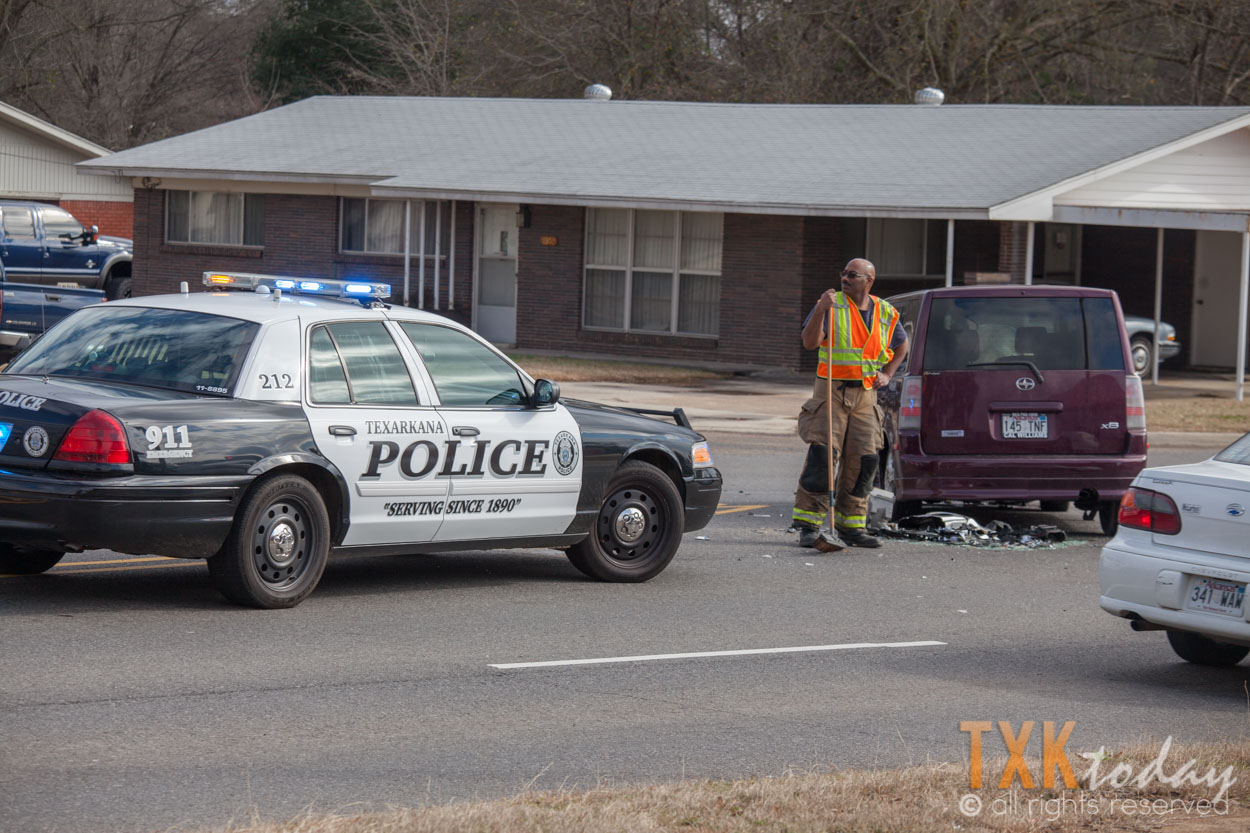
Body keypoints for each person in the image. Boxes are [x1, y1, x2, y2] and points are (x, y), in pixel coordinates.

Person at [792, 258, 908, 549]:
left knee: (865, 460)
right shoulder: (831, 305)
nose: (845, 278)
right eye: (844, 273)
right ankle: (809, 525)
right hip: (831, 391)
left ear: (869, 280)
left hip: (866, 396)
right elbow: (809, 342)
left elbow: (901, 344)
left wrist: (888, 374)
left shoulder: (884, 311)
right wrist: (821, 309)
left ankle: (851, 526)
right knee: (822, 458)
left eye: (852, 275)